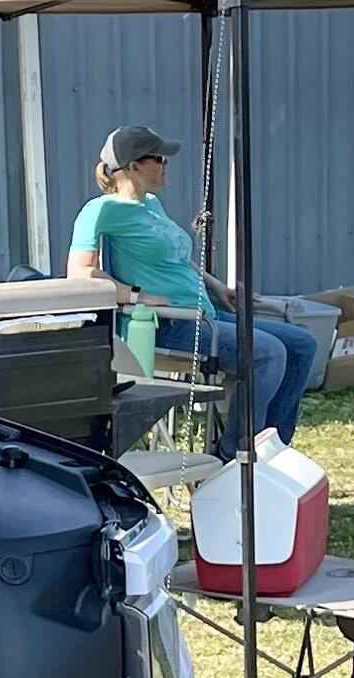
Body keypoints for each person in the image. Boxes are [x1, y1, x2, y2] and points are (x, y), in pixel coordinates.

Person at [66, 124, 321, 448]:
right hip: (172, 324)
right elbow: (80, 272)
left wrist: (218, 287)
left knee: (302, 344)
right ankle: (236, 455)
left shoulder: (152, 205)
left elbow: (178, 258)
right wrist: (136, 295)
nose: (166, 165)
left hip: (206, 313)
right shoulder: (101, 209)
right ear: (133, 166)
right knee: (267, 353)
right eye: (159, 159)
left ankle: (273, 445)